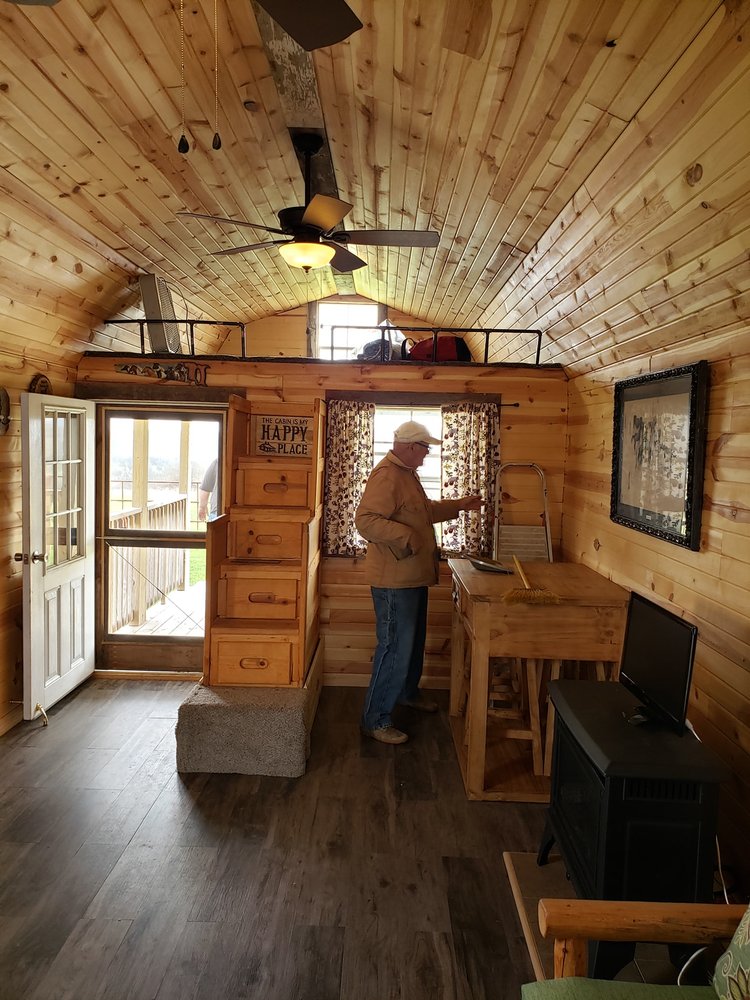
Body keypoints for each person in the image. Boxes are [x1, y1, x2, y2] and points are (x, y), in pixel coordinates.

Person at [355, 420, 483, 744]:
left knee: (410, 645)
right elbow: (365, 521)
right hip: (395, 582)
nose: (427, 455)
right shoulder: (387, 476)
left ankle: (406, 693)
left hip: (411, 577)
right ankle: (375, 720)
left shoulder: (406, 475)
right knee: (394, 647)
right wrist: (407, 536)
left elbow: (422, 512)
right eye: (426, 449)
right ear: (412, 446)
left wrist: (459, 505)